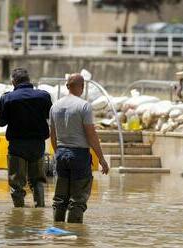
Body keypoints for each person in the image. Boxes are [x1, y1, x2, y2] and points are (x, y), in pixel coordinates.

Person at [50, 73, 109, 223]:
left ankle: (57, 233)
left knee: (60, 198)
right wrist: (101, 158)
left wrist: (58, 153)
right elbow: (91, 135)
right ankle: (75, 236)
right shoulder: (84, 106)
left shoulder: (55, 106)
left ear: (67, 86)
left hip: (61, 153)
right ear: (82, 87)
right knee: (77, 200)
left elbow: (53, 135)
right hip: (79, 155)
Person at [0, 68, 52, 208]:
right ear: (28, 80)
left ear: (13, 81)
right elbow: (49, 116)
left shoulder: (7, 98)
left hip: (17, 146)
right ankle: (39, 211)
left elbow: (1, 122)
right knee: (38, 180)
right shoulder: (43, 96)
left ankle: (18, 215)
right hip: (37, 145)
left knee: (16, 183)